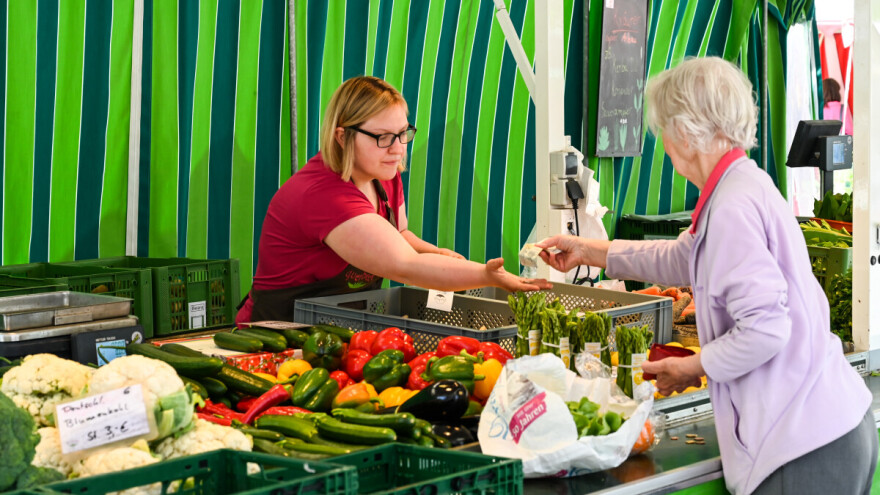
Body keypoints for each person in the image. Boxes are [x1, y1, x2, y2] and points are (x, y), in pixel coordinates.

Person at [537, 58, 876, 495]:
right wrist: (589, 250)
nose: (663, 143)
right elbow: (686, 257)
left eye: (662, 129)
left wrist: (693, 366)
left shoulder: (732, 205)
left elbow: (767, 329)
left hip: (803, 444)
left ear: (685, 130)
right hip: (829, 427)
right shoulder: (742, 184)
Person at [237, 76, 549, 324]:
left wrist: (436, 252)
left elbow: (397, 235)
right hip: (278, 333)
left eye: (403, 133)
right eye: (383, 137)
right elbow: (405, 266)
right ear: (342, 136)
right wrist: (484, 275)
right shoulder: (322, 196)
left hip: (336, 326)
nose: (398, 149)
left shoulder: (384, 171)